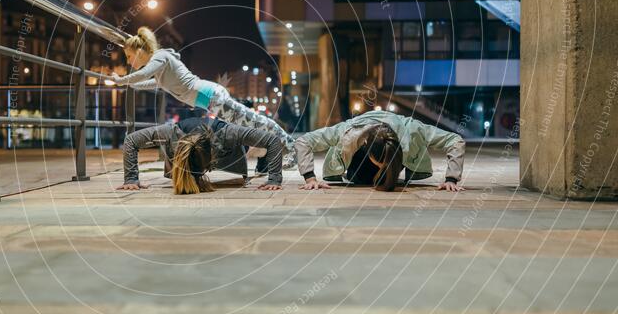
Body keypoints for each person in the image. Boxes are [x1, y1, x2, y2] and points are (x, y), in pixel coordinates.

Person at [110, 27, 295, 167]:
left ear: (139, 51)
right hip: (209, 99)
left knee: (252, 121)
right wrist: (130, 84)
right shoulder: (160, 65)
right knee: (247, 124)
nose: (128, 61)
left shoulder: (160, 57)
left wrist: (122, 81)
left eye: (128, 56)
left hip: (211, 96)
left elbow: (144, 74)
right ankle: (276, 152)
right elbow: (153, 83)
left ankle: (290, 146)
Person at [295, 111, 465, 192]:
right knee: (362, 179)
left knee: (387, 176)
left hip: (395, 149)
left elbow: (455, 140)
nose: (381, 168)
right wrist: (310, 178)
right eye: (380, 164)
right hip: (359, 167)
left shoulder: (412, 129)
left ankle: (389, 168)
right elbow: (303, 141)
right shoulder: (345, 131)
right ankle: (367, 170)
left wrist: (451, 178)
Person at [118, 116, 283, 194]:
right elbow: (131, 141)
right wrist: (131, 179)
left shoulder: (229, 133)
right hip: (184, 149)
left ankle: (263, 164)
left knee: (260, 147)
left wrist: (274, 178)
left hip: (229, 154)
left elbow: (273, 141)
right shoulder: (170, 133)